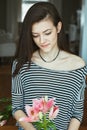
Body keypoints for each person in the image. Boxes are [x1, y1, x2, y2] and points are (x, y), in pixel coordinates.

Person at [12, 2, 87, 130]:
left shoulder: (78, 66)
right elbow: (16, 108)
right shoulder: (21, 64)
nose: (42, 40)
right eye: (35, 35)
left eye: (47, 33)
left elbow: (77, 113)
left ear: (58, 27)